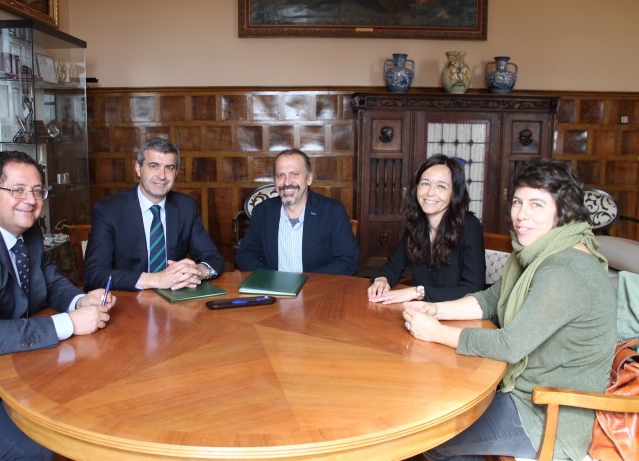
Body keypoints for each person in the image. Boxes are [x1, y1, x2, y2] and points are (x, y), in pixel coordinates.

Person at [403, 158, 617, 460]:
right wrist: (435, 310)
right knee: (440, 409)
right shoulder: (536, 251)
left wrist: (436, 333)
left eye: (536, 205)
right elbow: (491, 299)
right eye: (517, 202)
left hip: (545, 414)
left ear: (564, 211)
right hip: (520, 390)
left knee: (435, 436)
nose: (521, 215)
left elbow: (510, 345)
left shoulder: (565, 268)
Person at [0, 151, 115, 460]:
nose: (31, 200)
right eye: (18, 190)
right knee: (39, 447)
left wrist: (80, 299)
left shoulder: (25, 229)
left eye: (37, 191)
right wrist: (71, 322)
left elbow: (48, 279)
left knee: (91, 400)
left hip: (15, 365)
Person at [84, 138, 224, 291]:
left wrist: (197, 272)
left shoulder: (185, 206)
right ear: (138, 168)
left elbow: (213, 258)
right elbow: (94, 274)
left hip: (174, 299)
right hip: (128, 301)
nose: (162, 176)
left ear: (176, 172)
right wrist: (155, 280)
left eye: (169, 168)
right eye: (153, 166)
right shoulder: (108, 209)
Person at [367, 154, 485, 304]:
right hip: (422, 314)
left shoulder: (470, 226)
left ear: (454, 193)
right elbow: (393, 266)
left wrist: (417, 292)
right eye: (425, 183)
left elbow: (473, 289)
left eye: (441, 186)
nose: (430, 192)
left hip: (457, 317)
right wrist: (381, 280)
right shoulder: (417, 224)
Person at [234, 148, 359, 275]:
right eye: (280, 175)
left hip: (318, 289)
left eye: (294, 174)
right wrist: (273, 278)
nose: (287, 182)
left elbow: (348, 260)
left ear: (309, 179)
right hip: (273, 289)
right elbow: (244, 255)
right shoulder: (262, 212)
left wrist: (306, 280)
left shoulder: (332, 211)